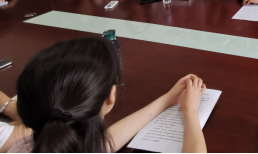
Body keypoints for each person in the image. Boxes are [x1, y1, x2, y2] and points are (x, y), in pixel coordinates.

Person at [11, 37, 207, 153]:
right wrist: (190, 112)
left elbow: (101, 144)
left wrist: (168, 98)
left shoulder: (23, 147)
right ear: (110, 96)